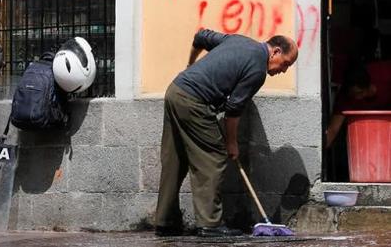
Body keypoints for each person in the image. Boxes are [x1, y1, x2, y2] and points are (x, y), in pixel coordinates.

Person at [154, 29, 298, 237]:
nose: (284, 70)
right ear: (275, 52)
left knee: (175, 159)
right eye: (285, 63)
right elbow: (233, 109)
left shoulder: (237, 40)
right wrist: (231, 143)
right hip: (194, 103)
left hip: (175, 91)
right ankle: (209, 224)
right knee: (213, 158)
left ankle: (165, 222)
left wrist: (189, 66)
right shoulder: (257, 69)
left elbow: (200, 36)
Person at [325, 60, 391, 149]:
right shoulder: (344, 98)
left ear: (368, 86)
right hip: (365, 137)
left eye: (359, 93)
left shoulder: (383, 72)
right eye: (353, 95)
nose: (356, 98)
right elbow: (332, 130)